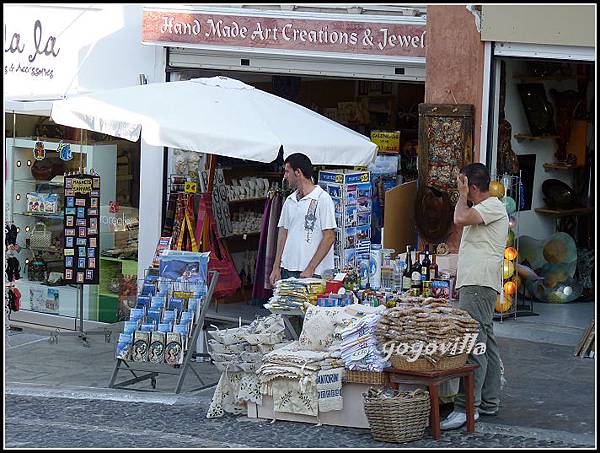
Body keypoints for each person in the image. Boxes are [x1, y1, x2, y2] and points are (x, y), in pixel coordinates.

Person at [441, 163, 508, 430]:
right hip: (478, 282)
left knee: (474, 342)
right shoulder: (483, 209)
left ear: (473, 187)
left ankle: (467, 407)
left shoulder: (491, 206)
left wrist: (460, 194)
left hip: (479, 283)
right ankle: (488, 401)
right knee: (486, 340)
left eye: (465, 185)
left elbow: (459, 218)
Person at [269, 153, 337, 285]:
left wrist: (310, 268)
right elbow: (283, 233)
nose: (285, 176)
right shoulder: (290, 200)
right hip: (288, 268)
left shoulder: (323, 198)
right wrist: (276, 267)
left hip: (314, 272)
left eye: (287, 171)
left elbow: (329, 237)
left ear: (298, 172)